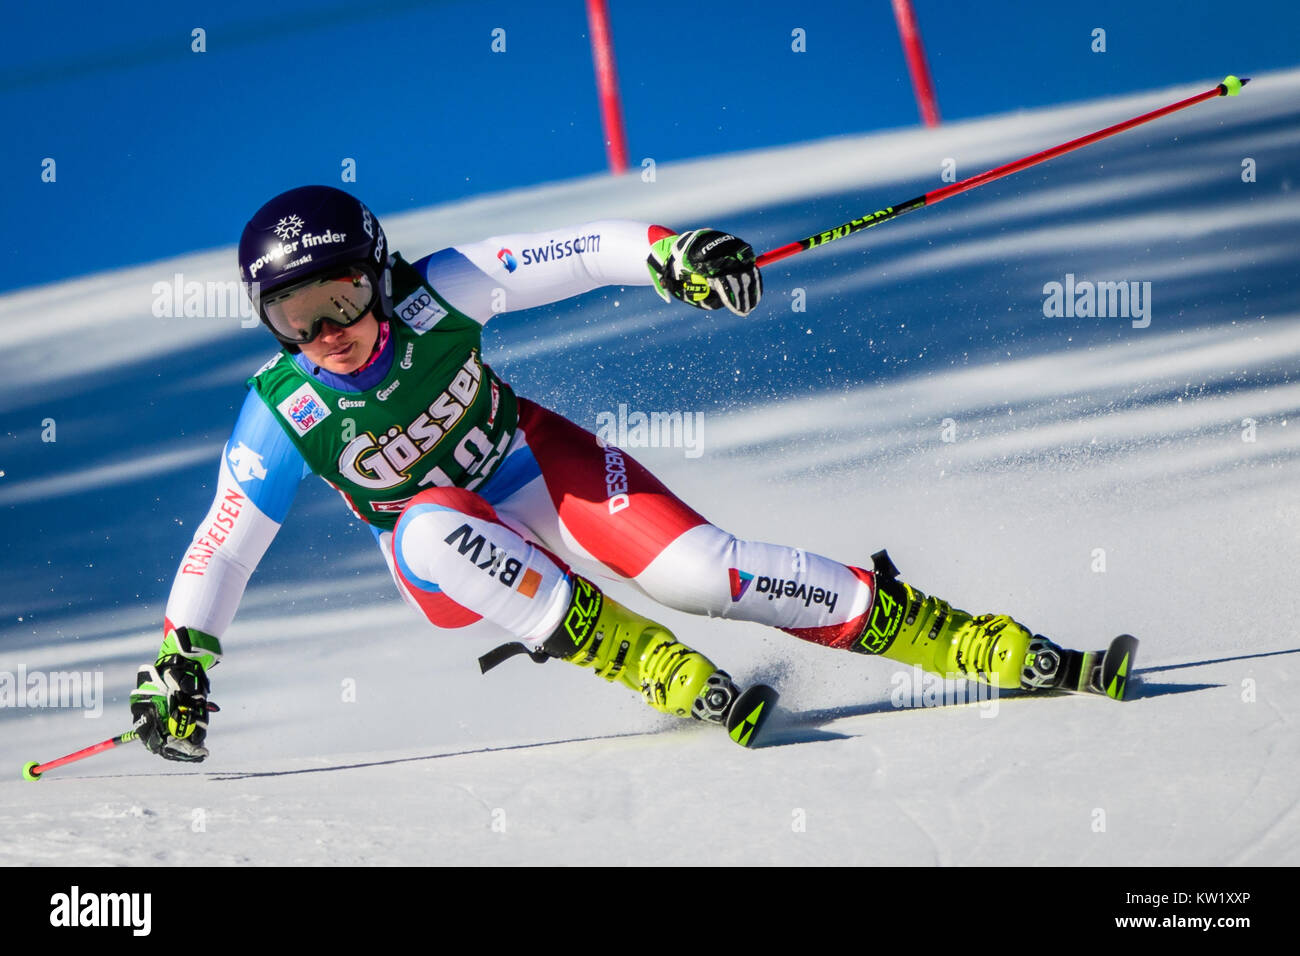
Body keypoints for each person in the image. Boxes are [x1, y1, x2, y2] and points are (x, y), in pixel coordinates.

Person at [130, 184, 1088, 761]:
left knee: (705, 573)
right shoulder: (283, 411)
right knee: (424, 524)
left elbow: (582, 252)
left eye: (340, 298)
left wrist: (673, 256)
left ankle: (969, 642)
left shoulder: (440, 294)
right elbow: (226, 543)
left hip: (537, 463)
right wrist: (183, 659)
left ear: (379, 276)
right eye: (296, 319)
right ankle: (652, 667)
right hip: (452, 556)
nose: (327, 334)